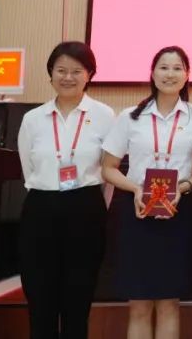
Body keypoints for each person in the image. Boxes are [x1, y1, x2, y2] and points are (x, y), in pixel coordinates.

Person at [101, 46, 192, 339]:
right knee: (139, 305)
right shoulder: (129, 117)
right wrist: (136, 188)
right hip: (137, 212)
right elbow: (108, 168)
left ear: (187, 75)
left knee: (170, 303)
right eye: (163, 67)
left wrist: (184, 187)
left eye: (177, 68)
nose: (170, 74)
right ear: (152, 73)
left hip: (178, 212)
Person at [17, 41, 114, 339]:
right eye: (61, 70)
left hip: (86, 210)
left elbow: (108, 171)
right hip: (41, 209)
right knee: (40, 298)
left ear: (90, 75)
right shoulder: (33, 119)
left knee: (77, 300)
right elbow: (28, 169)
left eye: (76, 71)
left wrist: (93, 206)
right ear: (51, 74)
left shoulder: (104, 115)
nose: (68, 77)